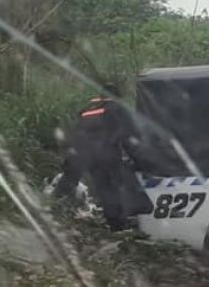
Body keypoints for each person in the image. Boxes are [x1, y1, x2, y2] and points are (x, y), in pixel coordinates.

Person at [54, 84, 153, 230]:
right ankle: (118, 226)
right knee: (110, 189)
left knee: (75, 186)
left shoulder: (87, 109)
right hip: (105, 154)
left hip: (81, 155)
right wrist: (142, 163)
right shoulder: (118, 109)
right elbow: (130, 138)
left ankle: (54, 209)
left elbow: (73, 134)